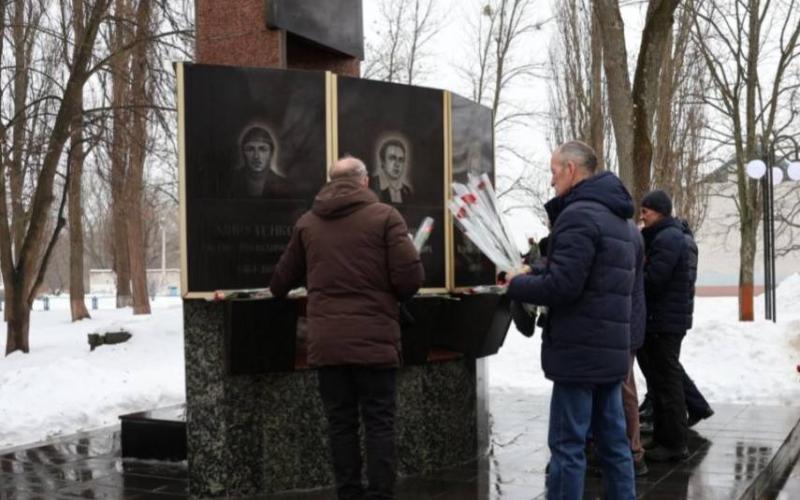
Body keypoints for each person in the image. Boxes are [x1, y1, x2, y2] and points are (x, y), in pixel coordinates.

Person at [270, 156, 424, 500]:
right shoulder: (386, 217)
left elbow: (279, 282)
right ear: (365, 181)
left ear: (330, 182)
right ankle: (380, 494)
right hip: (376, 343)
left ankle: (349, 493)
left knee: (341, 425)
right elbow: (410, 280)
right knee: (379, 423)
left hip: (328, 346)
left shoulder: (307, 223)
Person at [504, 141, 636, 500]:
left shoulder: (578, 216)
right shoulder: (620, 220)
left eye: (553, 172)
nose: (551, 181)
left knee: (567, 446)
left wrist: (515, 284)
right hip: (610, 352)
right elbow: (589, 274)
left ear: (571, 170)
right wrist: (534, 270)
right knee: (615, 446)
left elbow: (564, 285)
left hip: (579, 354)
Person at [636, 189, 709, 462]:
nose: (642, 216)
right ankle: (664, 438)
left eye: (646, 211)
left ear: (659, 212)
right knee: (661, 382)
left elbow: (654, 280)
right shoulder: (666, 236)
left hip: (663, 321)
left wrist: (633, 273)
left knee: (667, 384)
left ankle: (674, 443)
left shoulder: (667, 238)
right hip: (663, 319)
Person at [622, 220, 647, 476]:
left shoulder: (623, 233)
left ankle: (633, 449)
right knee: (626, 385)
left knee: (624, 387)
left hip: (623, 323)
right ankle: (633, 448)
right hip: (629, 320)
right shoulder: (631, 231)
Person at [231, 125, 292, 198]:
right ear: (243, 153)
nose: (256, 156)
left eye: (263, 149)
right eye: (250, 149)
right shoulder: (230, 182)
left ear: (271, 153)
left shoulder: (284, 186)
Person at [372, 139, 413, 204]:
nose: (397, 164)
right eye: (392, 158)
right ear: (383, 161)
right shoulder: (371, 185)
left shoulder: (407, 192)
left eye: (401, 160)